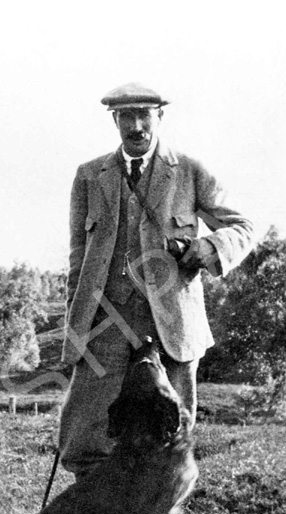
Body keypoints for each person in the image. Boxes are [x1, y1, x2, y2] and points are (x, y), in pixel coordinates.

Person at [59, 82, 255, 481]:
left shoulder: (189, 172)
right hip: (105, 324)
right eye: (126, 116)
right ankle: (99, 512)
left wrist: (209, 247)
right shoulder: (89, 176)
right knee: (84, 438)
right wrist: (76, 322)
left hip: (172, 325)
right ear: (114, 120)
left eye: (144, 115)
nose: (136, 125)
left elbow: (242, 227)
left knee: (172, 433)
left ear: (159, 117)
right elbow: (78, 259)